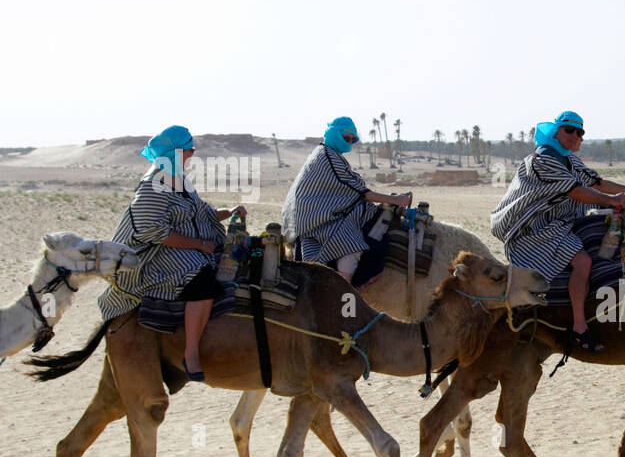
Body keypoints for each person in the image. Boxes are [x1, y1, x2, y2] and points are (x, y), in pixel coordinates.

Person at [489, 111, 625, 351]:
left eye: (580, 132)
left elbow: (596, 183)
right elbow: (576, 191)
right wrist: (612, 200)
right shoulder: (542, 160)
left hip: (557, 223)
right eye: (570, 130)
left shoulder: (570, 160)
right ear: (555, 132)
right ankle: (579, 327)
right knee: (583, 262)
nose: (576, 136)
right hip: (532, 229)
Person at [97, 124, 246, 381]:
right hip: (155, 255)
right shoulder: (152, 186)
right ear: (174, 152)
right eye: (189, 149)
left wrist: (229, 212)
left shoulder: (178, 178)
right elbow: (154, 232)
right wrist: (199, 245)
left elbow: (202, 213)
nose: (192, 154)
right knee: (202, 282)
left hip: (187, 244)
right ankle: (191, 353)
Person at [281, 116, 411, 285]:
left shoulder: (325, 154)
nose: (350, 142)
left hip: (314, 216)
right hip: (314, 220)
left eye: (352, 139)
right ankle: (345, 290)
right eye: (346, 138)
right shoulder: (328, 157)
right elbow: (359, 191)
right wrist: (395, 199)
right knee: (350, 243)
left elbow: (344, 191)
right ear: (334, 134)